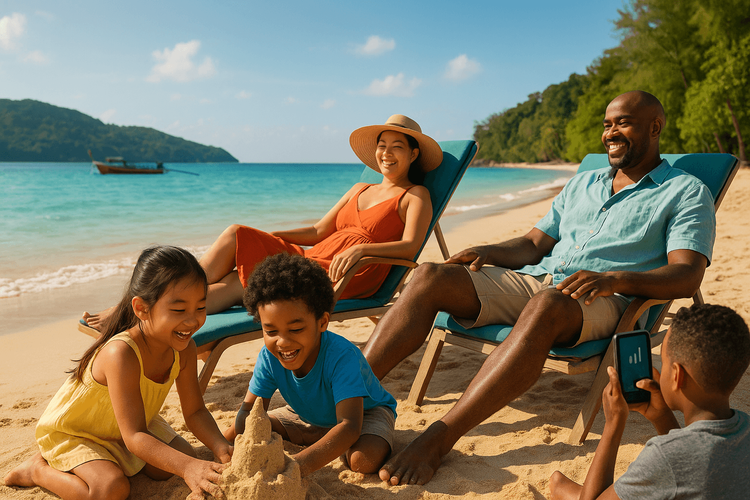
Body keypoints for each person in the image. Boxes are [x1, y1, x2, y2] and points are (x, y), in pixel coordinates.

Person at [361, 90, 718, 486]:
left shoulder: (685, 191)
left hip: (607, 299)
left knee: (549, 302)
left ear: (655, 127)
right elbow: (533, 245)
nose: (611, 132)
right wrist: (488, 250)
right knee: (429, 276)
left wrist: (614, 279)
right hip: (543, 282)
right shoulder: (584, 183)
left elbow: (687, 275)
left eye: (623, 122)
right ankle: (343, 394)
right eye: (606, 124)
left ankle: (439, 437)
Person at [81, 114, 441, 332]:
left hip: (346, 274)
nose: (386, 153)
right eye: (382, 145)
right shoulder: (359, 187)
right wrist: (269, 237)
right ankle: (150, 312)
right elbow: (318, 232)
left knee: (237, 242)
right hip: (312, 258)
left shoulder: (415, 196)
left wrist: (364, 248)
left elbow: (411, 247)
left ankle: (133, 310)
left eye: (396, 147)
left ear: (412, 154)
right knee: (238, 272)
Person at [4, 246, 233, 500]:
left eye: (200, 308)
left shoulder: (185, 349)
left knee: (181, 459)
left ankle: (121, 460)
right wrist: (188, 467)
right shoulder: (121, 353)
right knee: (112, 489)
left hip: (131, 424)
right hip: (80, 431)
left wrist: (219, 445)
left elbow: (195, 411)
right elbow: (134, 435)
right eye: (179, 310)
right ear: (142, 308)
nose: (192, 321)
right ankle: (37, 470)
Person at [549, 303, 750, 499]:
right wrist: (661, 416)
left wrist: (613, 425)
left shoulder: (664, 457)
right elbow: (690, 466)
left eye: (663, 362)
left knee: (559, 483)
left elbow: (679, 461)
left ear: (677, 375)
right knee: (561, 483)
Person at [223, 253, 398, 477]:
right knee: (254, 424)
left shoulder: (342, 356)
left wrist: (296, 465)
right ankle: (320, 435)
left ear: (322, 322)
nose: (283, 342)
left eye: (295, 329)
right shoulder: (269, 357)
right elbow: (249, 409)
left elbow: (350, 425)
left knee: (362, 461)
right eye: (271, 331)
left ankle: (327, 439)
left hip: (364, 414)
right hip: (303, 414)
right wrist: (242, 448)